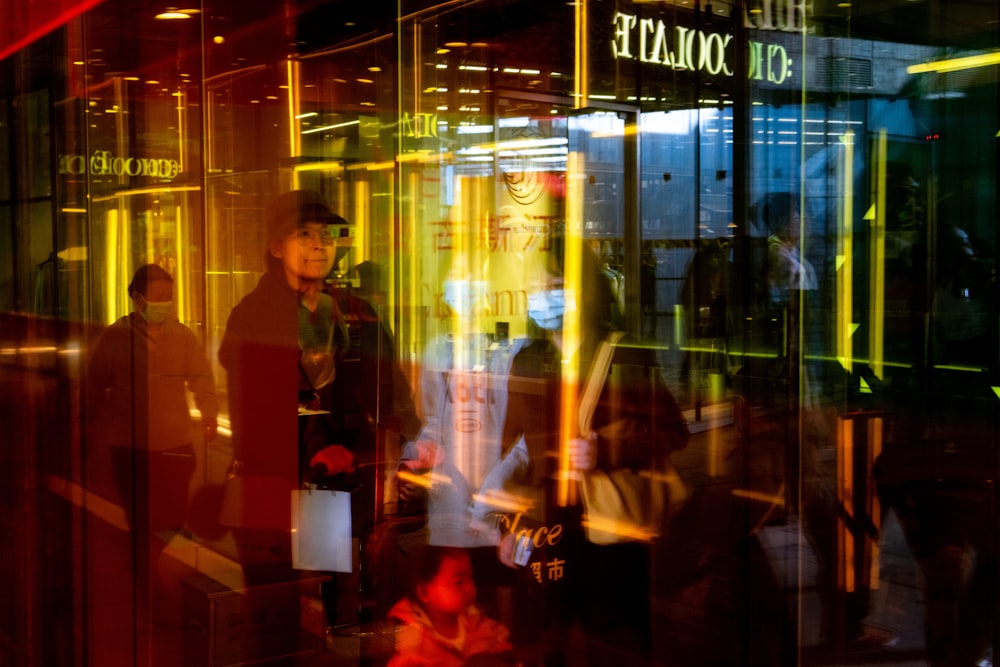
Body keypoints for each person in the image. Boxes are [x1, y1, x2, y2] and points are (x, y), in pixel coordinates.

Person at [477, 237, 690, 666]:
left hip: (609, 534)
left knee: (614, 645)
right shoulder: (530, 361)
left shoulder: (623, 352)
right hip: (546, 531)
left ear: (583, 289)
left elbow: (673, 431)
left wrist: (606, 450)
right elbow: (513, 451)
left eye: (555, 283)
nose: (543, 295)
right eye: (537, 286)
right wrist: (505, 523)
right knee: (547, 644)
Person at [86, 263, 218, 656]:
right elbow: (95, 381)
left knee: (173, 517)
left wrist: (209, 412)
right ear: (137, 298)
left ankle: (145, 565)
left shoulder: (182, 336)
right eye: (157, 297)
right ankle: (148, 584)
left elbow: (201, 378)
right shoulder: (116, 337)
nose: (164, 304)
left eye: (168, 297)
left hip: (175, 443)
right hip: (129, 446)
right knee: (142, 519)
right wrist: (96, 421)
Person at [387, 546, 519, 667]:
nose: (469, 588)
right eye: (459, 582)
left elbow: (500, 639)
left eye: (470, 577)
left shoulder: (473, 618)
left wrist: (502, 651)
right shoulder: (410, 638)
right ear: (424, 592)